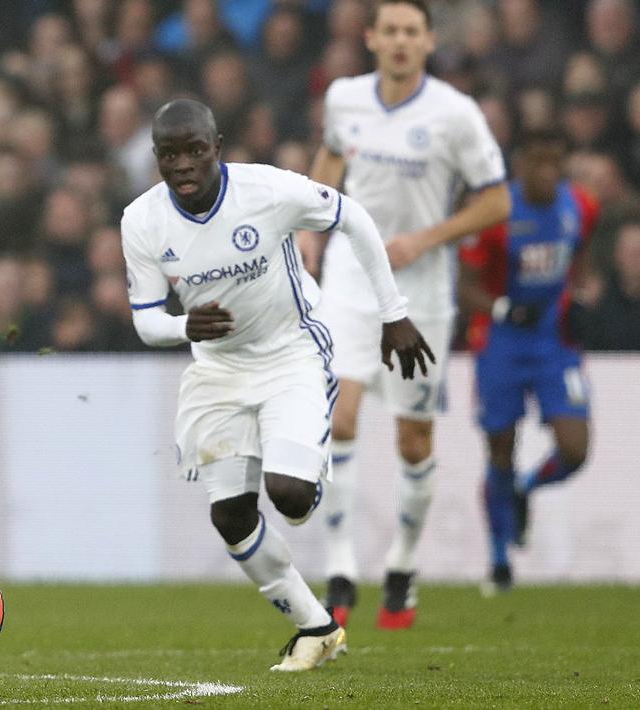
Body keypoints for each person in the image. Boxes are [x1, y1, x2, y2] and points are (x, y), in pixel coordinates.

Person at [121, 98, 433, 672]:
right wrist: (181, 325)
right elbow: (145, 318)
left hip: (292, 352)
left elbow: (353, 218)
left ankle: (296, 467)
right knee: (231, 516)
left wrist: (393, 313)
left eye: (195, 150)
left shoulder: (267, 191)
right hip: (216, 369)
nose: (183, 164)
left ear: (217, 148)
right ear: (157, 159)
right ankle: (316, 627)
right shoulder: (141, 221)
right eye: (170, 154)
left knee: (288, 497)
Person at [301, 0, 511, 629]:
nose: (398, 41)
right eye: (388, 30)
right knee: (340, 414)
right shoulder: (345, 99)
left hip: (420, 288)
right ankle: (341, 569)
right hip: (351, 277)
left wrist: (426, 238)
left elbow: (496, 199)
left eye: (409, 32)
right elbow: (333, 159)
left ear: (427, 41)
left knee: (412, 436)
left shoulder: (455, 114)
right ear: (370, 38)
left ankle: (402, 563)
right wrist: (314, 223)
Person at [459, 129, 597, 594]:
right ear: (521, 169)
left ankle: (525, 489)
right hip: (501, 341)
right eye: (538, 165)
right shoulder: (496, 212)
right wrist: (502, 308)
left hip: (554, 343)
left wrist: (582, 291)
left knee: (575, 449)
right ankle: (499, 559)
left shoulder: (580, 206)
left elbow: (580, 257)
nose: (548, 174)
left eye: (555, 164)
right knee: (500, 445)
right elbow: (465, 282)